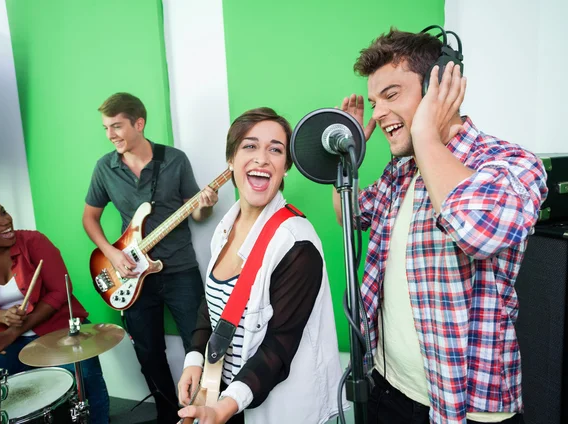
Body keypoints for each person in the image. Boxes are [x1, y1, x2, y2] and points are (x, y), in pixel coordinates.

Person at [331, 28, 549, 423]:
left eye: (391, 95)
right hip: (389, 388)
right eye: (375, 100)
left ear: (440, 86)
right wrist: (349, 159)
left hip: (467, 408)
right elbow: (350, 216)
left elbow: (478, 232)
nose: (377, 113)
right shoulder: (399, 172)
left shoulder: (510, 163)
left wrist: (426, 134)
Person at [177, 108, 345, 424]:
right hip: (226, 395)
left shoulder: (297, 244)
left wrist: (223, 408)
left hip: (278, 406)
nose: (262, 158)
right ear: (231, 161)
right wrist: (194, 360)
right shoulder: (225, 228)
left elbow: (277, 348)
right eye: (250, 146)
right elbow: (212, 304)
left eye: (275, 150)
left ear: (285, 167)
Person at [82, 92, 218, 422]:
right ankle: (168, 414)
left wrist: (206, 206)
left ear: (139, 124)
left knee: (200, 346)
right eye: (105, 128)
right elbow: (90, 218)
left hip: (180, 270)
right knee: (148, 351)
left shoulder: (174, 160)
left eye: (116, 126)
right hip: (129, 275)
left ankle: (208, 413)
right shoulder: (105, 168)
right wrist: (112, 254)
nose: (110, 134)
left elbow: (196, 215)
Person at [0, 186, 110, 423]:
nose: (5, 221)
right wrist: (1, 317)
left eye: (3, 212)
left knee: (86, 380)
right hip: (4, 337)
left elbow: (58, 294)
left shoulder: (34, 242)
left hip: (58, 329)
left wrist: (14, 330)